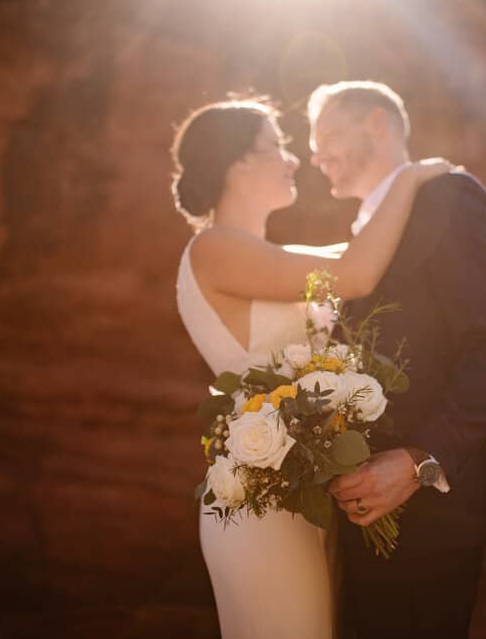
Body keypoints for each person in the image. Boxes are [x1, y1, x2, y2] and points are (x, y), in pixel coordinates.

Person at [170, 97, 453, 639]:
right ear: (238, 164)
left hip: (305, 494)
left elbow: (369, 251)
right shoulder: (212, 250)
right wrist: (411, 176)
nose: (295, 159)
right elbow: (357, 272)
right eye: (276, 146)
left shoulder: (270, 255)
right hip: (261, 505)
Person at [308, 80, 486, 638]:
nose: (317, 156)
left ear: (378, 125)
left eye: (329, 136)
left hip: (431, 518)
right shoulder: (361, 236)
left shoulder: (450, 198)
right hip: (359, 512)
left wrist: (417, 464)